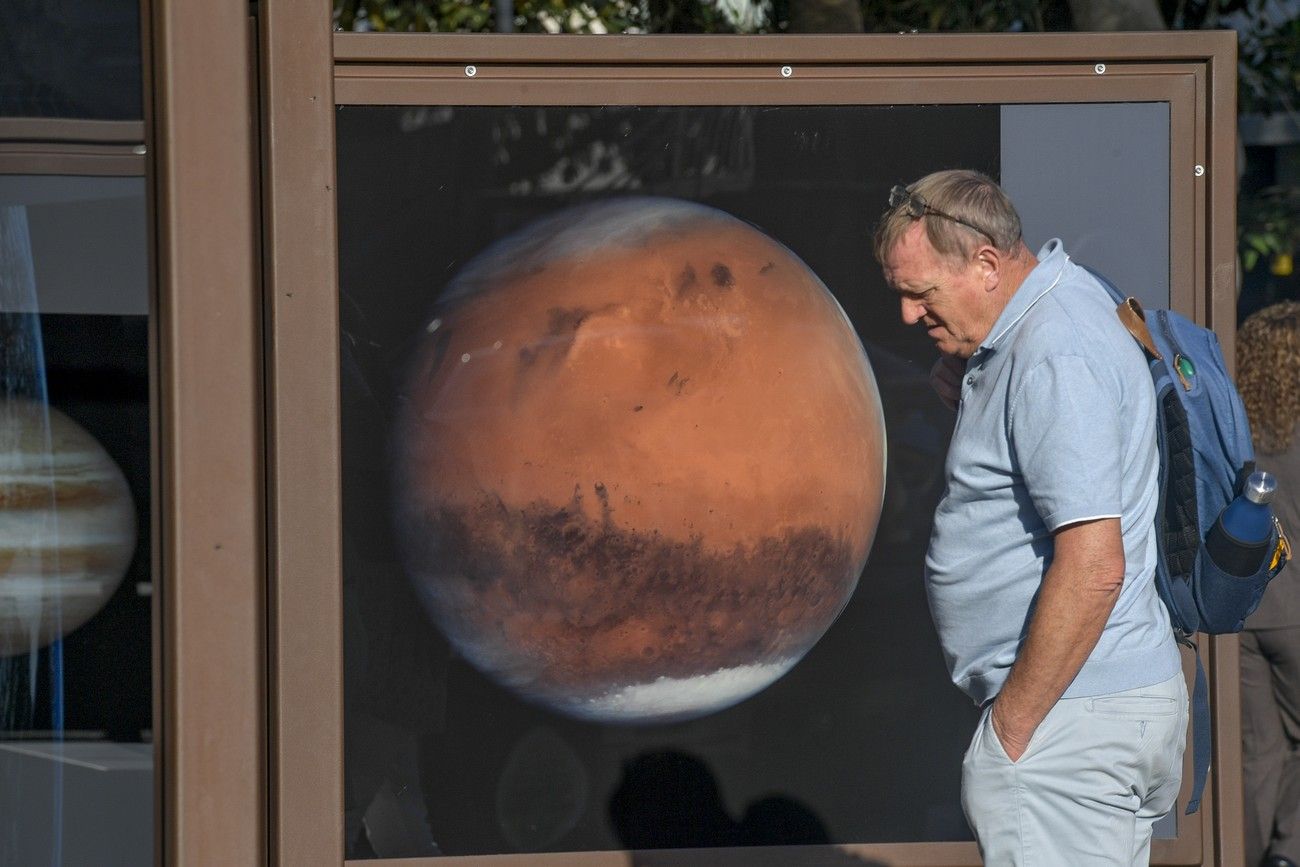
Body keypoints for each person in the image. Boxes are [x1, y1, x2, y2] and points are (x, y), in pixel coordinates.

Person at [874, 169, 1188, 865]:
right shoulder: (1050, 322)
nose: (906, 315)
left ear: (986, 263)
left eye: (919, 292)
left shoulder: (1053, 350)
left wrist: (1012, 732)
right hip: (1085, 712)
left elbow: (1096, 564)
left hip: (1066, 726)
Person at [1237, 301, 1300, 867]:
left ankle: (1253, 854)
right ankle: (1289, 852)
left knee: (1261, 750)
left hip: (1245, 612)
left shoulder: (1236, 429)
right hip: (1298, 611)